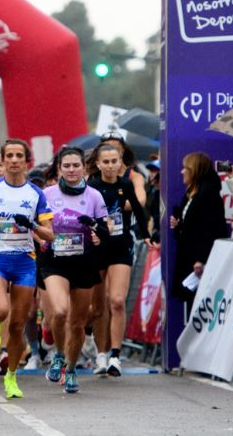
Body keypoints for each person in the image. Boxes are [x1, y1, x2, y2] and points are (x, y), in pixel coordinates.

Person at [0, 139, 54, 399]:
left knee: (17, 325)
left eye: (19, 156)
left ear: (26, 161)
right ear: (3, 161)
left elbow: (49, 234)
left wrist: (32, 225)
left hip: (25, 261)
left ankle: (11, 377)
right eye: (10, 156)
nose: (14, 160)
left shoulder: (36, 194)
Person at [40, 147, 109, 394]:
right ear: (59, 169)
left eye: (76, 165)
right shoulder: (46, 194)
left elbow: (105, 229)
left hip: (84, 262)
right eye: (66, 166)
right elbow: (37, 226)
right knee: (59, 312)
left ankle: (70, 370)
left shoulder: (94, 196)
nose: (71, 170)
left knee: (78, 323)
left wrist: (97, 232)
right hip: (54, 261)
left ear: (84, 167)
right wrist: (40, 238)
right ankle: (58, 355)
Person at [87, 143, 149, 377]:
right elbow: (85, 216)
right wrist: (95, 229)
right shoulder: (92, 187)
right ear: (98, 164)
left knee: (117, 301)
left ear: (120, 162)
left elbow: (138, 210)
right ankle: (99, 351)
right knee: (97, 306)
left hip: (121, 247)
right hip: (98, 249)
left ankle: (114, 355)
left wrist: (147, 235)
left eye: (115, 161)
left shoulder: (125, 184)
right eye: (106, 162)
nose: (111, 166)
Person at [171, 152, 227, 307]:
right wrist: (179, 225)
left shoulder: (208, 194)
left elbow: (212, 229)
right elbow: (192, 226)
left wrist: (201, 259)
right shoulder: (191, 194)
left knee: (197, 304)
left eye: (185, 168)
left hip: (199, 260)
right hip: (188, 256)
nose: (182, 171)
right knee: (190, 302)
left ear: (195, 170)